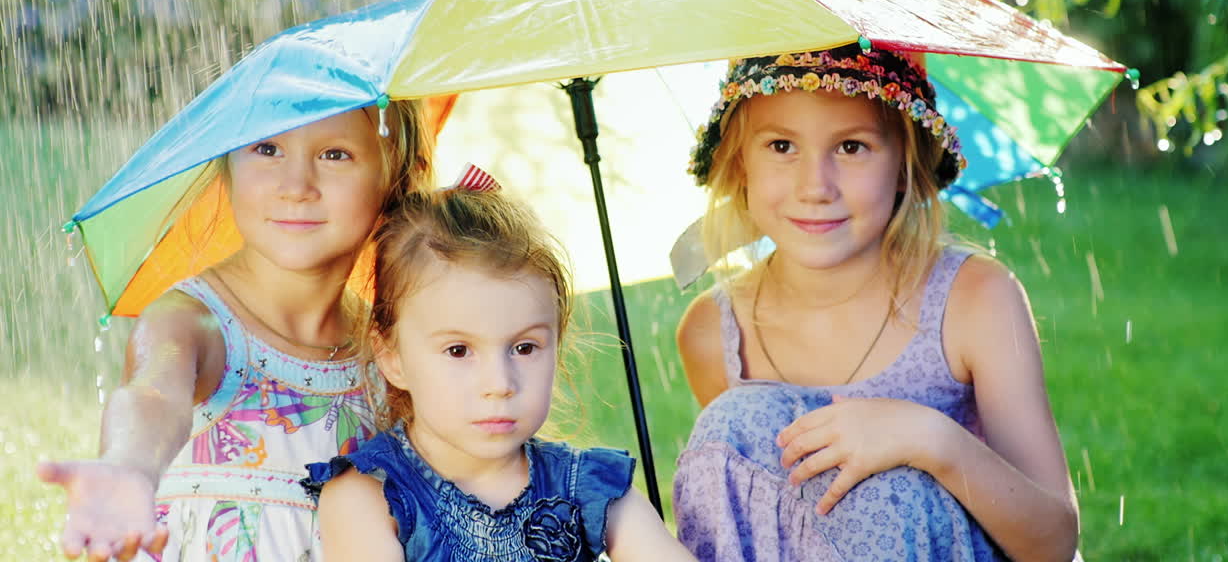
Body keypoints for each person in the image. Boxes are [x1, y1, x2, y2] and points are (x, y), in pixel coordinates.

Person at [672, 44, 1079, 561]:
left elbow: (1054, 543)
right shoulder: (713, 331)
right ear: (740, 164)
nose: (815, 186)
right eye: (780, 146)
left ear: (906, 167)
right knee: (732, 423)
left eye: (851, 147)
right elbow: (752, 524)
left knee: (892, 487)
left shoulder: (973, 300)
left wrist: (929, 438)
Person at [36, 100, 436, 562]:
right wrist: (129, 466)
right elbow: (153, 396)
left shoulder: (389, 348)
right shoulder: (193, 322)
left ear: (399, 176)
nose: (296, 187)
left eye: (335, 155)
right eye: (267, 148)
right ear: (226, 167)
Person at [302, 181, 694, 562]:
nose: (500, 384)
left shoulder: (588, 486)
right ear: (392, 358)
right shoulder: (369, 497)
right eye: (458, 350)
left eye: (524, 348)